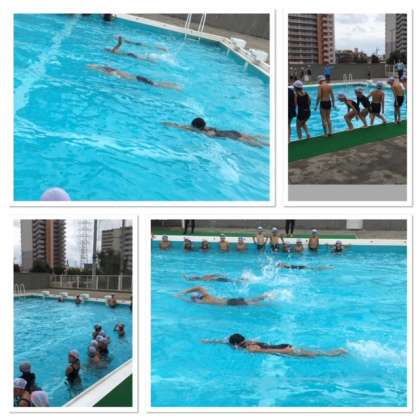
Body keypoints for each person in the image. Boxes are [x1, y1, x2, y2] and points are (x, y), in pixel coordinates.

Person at [163, 118, 269, 148]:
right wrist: (173, 124)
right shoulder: (206, 128)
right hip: (231, 131)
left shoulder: (203, 132)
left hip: (230, 136)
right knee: (252, 137)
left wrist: (172, 125)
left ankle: (269, 144)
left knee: (258, 145)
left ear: (195, 126)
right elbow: (185, 127)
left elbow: (185, 127)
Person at [213, 333, 347, 357]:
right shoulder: (250, 341)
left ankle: (338, 353)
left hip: (284, 349)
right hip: (282, 345)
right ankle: (336, 351)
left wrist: (285, 351)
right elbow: (226, 341)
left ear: (235, 344)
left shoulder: (250, 348)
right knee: (316, 352)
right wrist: (213, 341)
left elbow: (269, 351)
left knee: (320, 355)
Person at [87, 64, 182, 91]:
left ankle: (174, 87)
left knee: (156, 85)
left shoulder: (114, 73)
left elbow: (117, 77)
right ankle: (173, 85)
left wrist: (97, 69)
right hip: (138, 77)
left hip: (138, 80)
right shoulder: (116, 70)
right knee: (156, 83)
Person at [176, 286, 272, 306]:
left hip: (230, 303)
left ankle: (267, 298)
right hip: (230, 300)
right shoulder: (207, 297)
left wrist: (181, 295)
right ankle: (266, 296)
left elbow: (199, 288)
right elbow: (199, 288)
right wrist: (185, 292)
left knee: (254, 303)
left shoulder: (205, 299)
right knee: (252, 300)